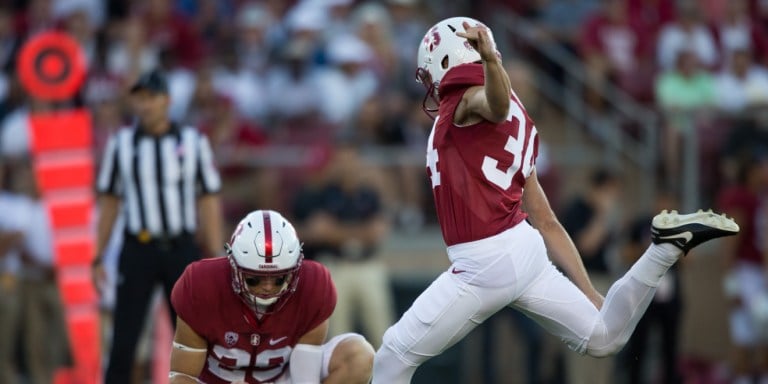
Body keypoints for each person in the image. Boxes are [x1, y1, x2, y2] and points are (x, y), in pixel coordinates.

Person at [371, 17, 740, 383]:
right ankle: (665, 249)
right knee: (603, 336)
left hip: (484, 261)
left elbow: (493, 105)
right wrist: (590, 291)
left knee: (393, 354)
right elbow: (545, 219)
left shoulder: (469, 96)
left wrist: (490, 62)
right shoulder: (517, 117)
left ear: (446, 60)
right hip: (524, 249)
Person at [92, 69, 224, 384]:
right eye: (139, 98)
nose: (145, 105)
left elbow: (208, 198)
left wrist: (217, 254)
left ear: (167, 100)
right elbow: (110, 201)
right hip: (138, 246)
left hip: (180, 248)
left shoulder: (192, 142)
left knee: (194, 334)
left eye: (151, 97)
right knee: (125, 337)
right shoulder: (122, 145)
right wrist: (97, 255)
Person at [168, 209, 375, 384]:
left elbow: (305, 378)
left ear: (295, 269)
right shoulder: (201, 285)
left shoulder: (313, 286)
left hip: (282, 378)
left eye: (279, 279)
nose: (267, 288)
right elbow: (182, 376)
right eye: (254, 279)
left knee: (358, 355)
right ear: (233, 266)